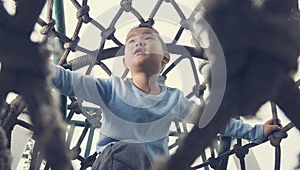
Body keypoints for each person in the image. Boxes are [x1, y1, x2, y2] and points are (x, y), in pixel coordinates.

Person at [50, 26, 281, 170]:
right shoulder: (112, 89)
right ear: (125, 62)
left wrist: (257, 132)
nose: (138, 43)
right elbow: (68, 81)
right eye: (131, 42)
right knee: (127, 151)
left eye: (148, 39)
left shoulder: (173, 100)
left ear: (165, 58)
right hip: (115, 162)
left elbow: (212, 120)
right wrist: (34, 64)